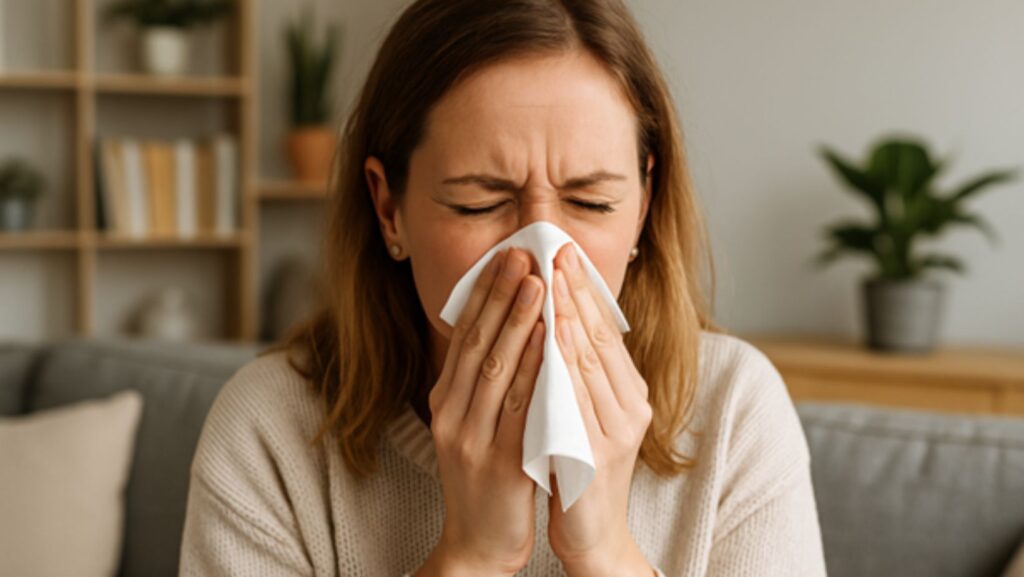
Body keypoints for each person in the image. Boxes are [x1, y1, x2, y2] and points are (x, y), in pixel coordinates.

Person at [178, 0, 828, 575]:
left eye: (592, 202)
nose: (542, 258)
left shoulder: (734, 414)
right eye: (478, 203)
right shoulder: (270, 431)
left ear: (643, 204)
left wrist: (605, 554)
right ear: (389, 209)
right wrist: (471, 557)